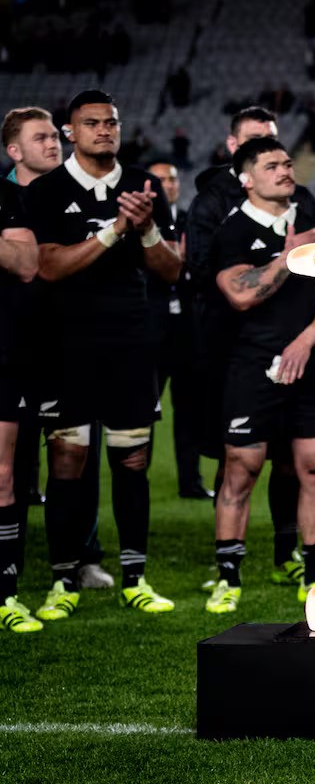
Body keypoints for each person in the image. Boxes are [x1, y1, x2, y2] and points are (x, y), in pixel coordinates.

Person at [28, 90, 182, 615]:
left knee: (132, 459)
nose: (103, 130)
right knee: (68, 460)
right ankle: (63, 582)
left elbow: (170, 269)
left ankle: (135, 578)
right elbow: (48, 266)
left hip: (131, 340)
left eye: (110, 122)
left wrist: (147, 228)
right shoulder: (47, 191)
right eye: (91, 123)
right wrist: (117, 230)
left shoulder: (145, 185)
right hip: (68, 343)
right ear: (70, 132)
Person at [187, 106, 315, 592]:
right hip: (249, 364)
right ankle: (228, 579)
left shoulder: (312, 215)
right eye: (272, 167)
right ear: (247, 180)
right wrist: (290, 257)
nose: (285, 171)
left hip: (309, 359)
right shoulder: (232, 230)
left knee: (314, 465)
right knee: (241, 468)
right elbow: (241, 294)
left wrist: (306, 341)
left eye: (287, 164)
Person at [3, 107, 113, 593]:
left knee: (77, 458)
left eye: (55, 136)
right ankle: (14, 561)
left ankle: (81, 558)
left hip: (70, 344)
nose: (54, 143)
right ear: (14, 150)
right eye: (41, 137)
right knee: (16, 462)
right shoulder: (8, 198)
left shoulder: (77, 194)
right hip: (13, 348)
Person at [145, 160, 207, 498]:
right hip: (151, 330)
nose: (167, 183)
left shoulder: (190, 220)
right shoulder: (140, 223)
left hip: (186, 330)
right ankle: (139, 477)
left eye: (171, 178)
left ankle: (191, 481)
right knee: (145, 409)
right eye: (159, 179)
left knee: (189, 410)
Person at [0, 158, 40, 632]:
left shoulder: (10, 197)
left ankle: (6, 594)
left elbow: (28, 264)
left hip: (4, 355)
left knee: (4, 475)